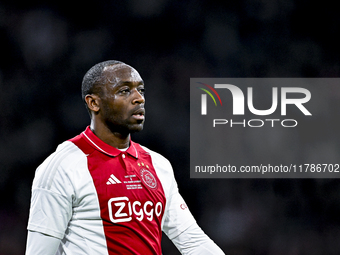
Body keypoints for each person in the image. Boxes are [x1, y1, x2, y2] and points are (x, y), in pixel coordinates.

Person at [25, 60, 224, 255]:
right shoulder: (62, 166)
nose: (139, 98)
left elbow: (192, 241)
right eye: (125, 91)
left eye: (141, 90)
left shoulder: (158, 165)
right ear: (94, 103)